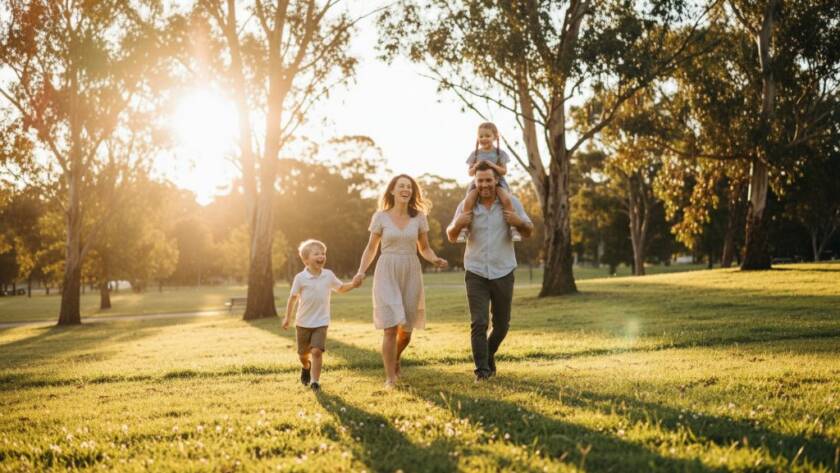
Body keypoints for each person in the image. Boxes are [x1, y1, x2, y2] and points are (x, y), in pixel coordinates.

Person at [353, 174, 448, 388]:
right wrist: (361, 271)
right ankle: (390, 378)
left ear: (412, 192)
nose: (405, 189)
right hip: (386, 270)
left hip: (410, 270)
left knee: (406, 330)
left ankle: (396, 358)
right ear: (392, 191)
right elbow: (371, 248)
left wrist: (434, 259)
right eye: (401, 186)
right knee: (390, 327)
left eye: (409, 187)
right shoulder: (380, 217)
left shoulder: (419, 218)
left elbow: (424, 248)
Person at [447, 161, 533, 381]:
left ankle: (488, 354)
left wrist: (518, 221)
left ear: (497, 180)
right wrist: (457, 224)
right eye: (480, 181)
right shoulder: (466, 205)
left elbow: (529, 230)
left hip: (503, 270)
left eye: (488, 180)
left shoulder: (510, 202)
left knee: (502, 325)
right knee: (479, 322)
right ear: (475, 182)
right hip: (475, 271)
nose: (484, 185)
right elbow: (451, 234)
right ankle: (482, 372)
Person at [283, 239, 358, 391]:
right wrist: (287, 318)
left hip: (321, 322)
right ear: (306, 260)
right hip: (303, 322)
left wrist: (353, 284)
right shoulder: (300, 278)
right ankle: (306, 367)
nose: (321, 256)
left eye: (323, 253)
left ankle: (315, 381)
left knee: (316, 351)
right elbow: (292, 299)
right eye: (316, 254)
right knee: (303, 354)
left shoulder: (328, 275)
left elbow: (341, 288)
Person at [457, 122, 522, 243]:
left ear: (495, 136)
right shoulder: (475, 154)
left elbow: (503, 171)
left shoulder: (500, 153)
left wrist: (492, 165)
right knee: (469, 200)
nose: (484, 139)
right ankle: (465, 228)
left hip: (498, 181)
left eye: (487, 135)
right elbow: (470, 173)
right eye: (481, 136)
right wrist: (475, 166)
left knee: (507, 199)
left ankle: (514, 228)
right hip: (479, 182)